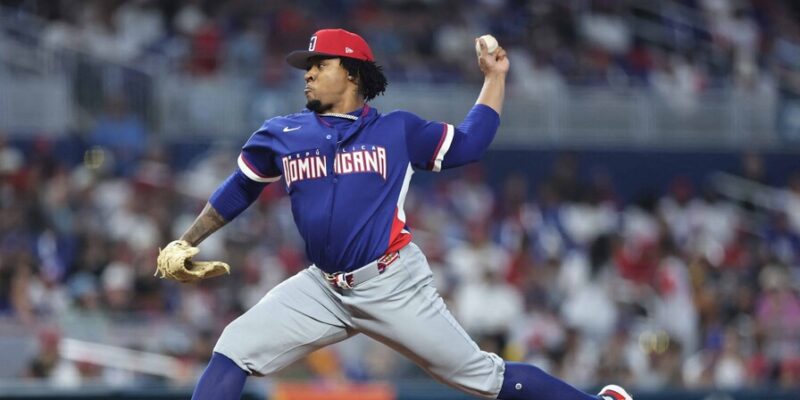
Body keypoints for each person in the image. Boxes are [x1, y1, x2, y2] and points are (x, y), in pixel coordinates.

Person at [155, 28, 633, 400]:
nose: (308, 73)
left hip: (391, 283)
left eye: (320, 64)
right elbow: (242, 186)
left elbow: (469, 143)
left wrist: (495, 79)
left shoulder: (398, 131)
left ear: (352, 73)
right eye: (308, 65)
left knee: (482, 377)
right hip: (322, 286)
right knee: (233, 347)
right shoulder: (282, 133)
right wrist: (187, 240)